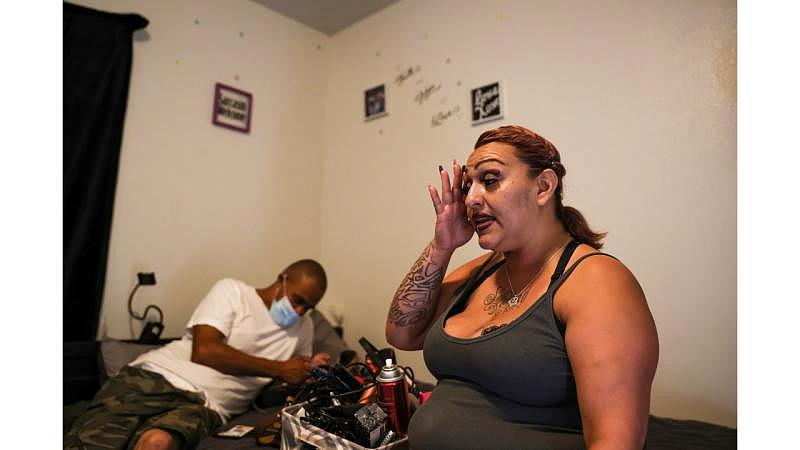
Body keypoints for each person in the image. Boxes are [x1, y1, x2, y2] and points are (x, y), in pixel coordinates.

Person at [386, 125, 658, 449]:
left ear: (543, 186)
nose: (471, 199)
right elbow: (403, 333)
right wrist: (442, 246)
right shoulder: (484, 269)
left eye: (489, 180)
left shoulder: (597, 282)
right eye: (467, 186)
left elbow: (614, 443)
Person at [66, 259, 331, 450]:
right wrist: (279, 368)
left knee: (157, 442)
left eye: (307, 307)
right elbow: (204, 351)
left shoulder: (304, 327)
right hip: (154, 378)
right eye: (297, 300)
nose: (298, 312)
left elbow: (282, 378)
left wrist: (306, 370)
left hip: (207, 405)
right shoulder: (233, 292)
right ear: (283, 277)